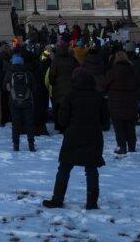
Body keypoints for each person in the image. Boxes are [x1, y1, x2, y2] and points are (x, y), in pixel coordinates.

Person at [42, 69, 109, 210]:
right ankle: (92, 202)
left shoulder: (70, 95)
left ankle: (57, 199)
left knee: (64, 168)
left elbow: (62, 119)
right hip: (94, 136)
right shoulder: (98, 97)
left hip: (73, 135)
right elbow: (105, 119)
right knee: (91, 169)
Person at [104, 51, 139, 154]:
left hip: (116, 102)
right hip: (130, 101)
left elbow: (105, 84)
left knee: (119, 127)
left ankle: (122, 146)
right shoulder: (132, 71)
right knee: (130, 126)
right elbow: (137, 84)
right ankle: (132, 146)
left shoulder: (112, 72)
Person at [5, 54, 36, 152]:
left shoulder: (9, 73)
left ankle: (16, 144)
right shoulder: (28, 73)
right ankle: (31, 143)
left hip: (14, 102)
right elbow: (34, 87)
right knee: (29, 123)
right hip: (27, 101)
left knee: (16, 123)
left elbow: (4, 87)